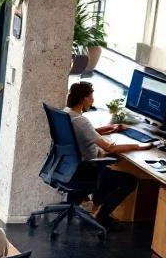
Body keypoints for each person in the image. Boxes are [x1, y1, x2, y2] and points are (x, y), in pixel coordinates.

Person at [64, 81, 157, 225]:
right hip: (86, 170)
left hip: (68, 168)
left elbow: (85, 133)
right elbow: (110, 148)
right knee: (129, 181)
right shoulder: (82, 121)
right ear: (83, 99)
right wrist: (139, 146)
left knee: (111, 164)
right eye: (91, 97)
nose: (93, 100)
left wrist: (108, 129)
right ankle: (102, 216)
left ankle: (93, 203)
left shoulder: (66, 114)